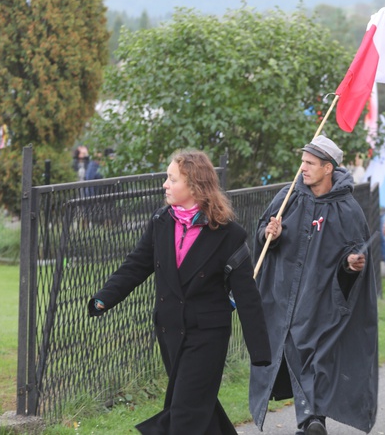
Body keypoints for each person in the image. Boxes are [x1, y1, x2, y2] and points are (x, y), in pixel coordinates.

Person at [88, 150, 271, 434]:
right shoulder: (161, 222)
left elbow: (247, 294)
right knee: (199, 407)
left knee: (184, 411)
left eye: (172, 179)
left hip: (208, 334)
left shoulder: (228, 234)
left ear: (194, 185)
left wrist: (259, 351)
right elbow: (136, 265)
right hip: (170, 329)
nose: (165, 184)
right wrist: (105, 297)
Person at [250, 135, 378, 435]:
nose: (302, 168)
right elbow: (262, 234)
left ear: (328, 168)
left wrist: (351, 264)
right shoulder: (289, 196)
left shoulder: (348, 209)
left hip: (322, 297)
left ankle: (311, 419)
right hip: (284, 294)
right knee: (295, 350)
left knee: (315, 353)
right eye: (303, 162)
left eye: (309, 163)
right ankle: (312, 420)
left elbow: (353, 255)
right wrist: (271, 233)